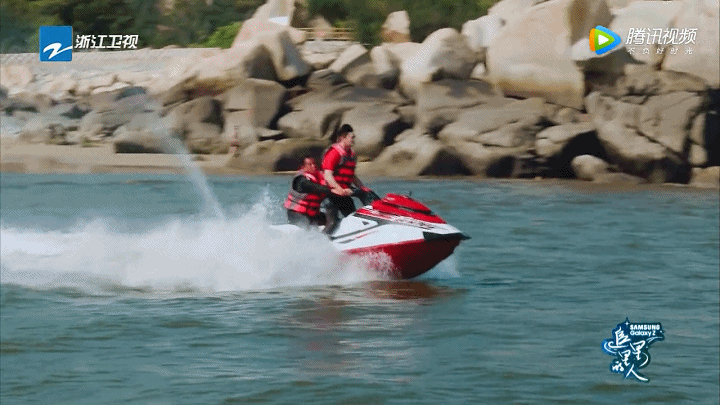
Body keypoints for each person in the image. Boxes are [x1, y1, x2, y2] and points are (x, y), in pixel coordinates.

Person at [321, 124, 377, 234]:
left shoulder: (351, 154)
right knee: (333, 223)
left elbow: (352, 176)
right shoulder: (334, 153)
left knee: (353, 220)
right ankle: (320, 241)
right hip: (330, 194)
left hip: (344, 194)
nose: (354, 140)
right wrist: (339, 189)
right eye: (352, 137)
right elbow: (328, 176)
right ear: (343, 137)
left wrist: (362, 187)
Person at [284, 157, 346, 229]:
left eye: (314, 164)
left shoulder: (318, 178)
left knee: (335, 221)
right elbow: (315, 187)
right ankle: (317, 235)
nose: (313, 166)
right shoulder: (300, 180)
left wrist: (344, 190)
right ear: (303, 167)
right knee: (306, 227)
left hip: (312, 214)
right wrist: (332, 190)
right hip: (296, 214)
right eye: (310, 164)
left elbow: (332, 183)